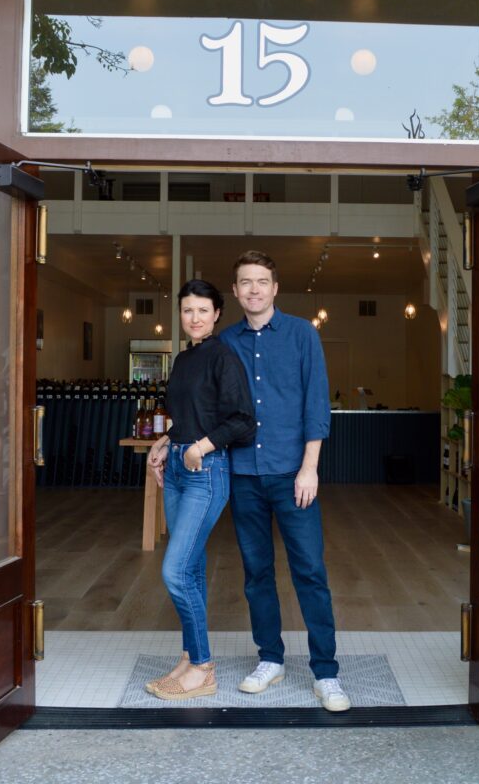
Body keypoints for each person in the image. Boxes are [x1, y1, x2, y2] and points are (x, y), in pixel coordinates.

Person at [219, 250, 351, 712]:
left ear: (275, 288)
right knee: (256, 574)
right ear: (235, 292)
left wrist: (309, 467)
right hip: (243, 475)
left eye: (261, 281)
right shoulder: (225, 341)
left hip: (294, 475)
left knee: (309, 572)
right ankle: (270, 659)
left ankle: (326, 672)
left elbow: (316, 405)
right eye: (244, 281)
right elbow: (211, 407)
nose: (253, 288)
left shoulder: (301, 334)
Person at [144, 279, 255, 700]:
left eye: (203, 311)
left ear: (216, 315)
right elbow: (189, 416)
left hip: (205, 472)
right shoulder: (183, 359)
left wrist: (200, 448)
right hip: (176, 467)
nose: (194, 318)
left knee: (174, 570)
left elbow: (243, 421)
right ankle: (190, 657)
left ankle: (204, 667)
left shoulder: (223, 358)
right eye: (188, 310)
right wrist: (165, 442)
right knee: (188, 569)